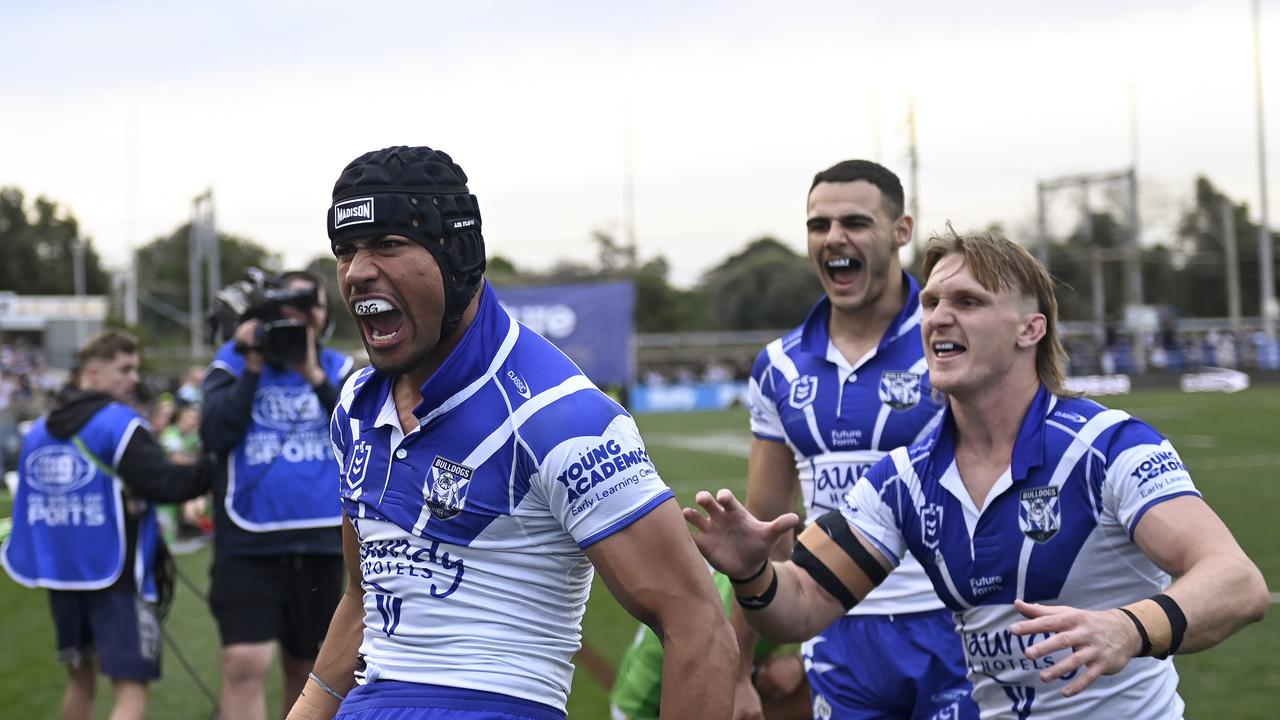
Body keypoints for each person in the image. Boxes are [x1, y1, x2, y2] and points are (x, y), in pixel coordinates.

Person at [685, 229, 1270, 718]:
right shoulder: (902, 481)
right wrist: (754, 574)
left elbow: (1236, 583)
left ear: (1030, 329)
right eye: (932, 303)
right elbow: (805, 602)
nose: (939, 317)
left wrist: (1127, 628)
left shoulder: (1107, 446)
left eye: (967, 302)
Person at [288, 146, 734, 720]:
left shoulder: (560, 417)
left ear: (458, 253)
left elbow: (697, 622)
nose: (357, 272)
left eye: (389, 245)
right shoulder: (355, 405)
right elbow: (363, 596)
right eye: (346, 251)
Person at [735, 160, 972, 720]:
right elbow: (765, 529)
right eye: (819, 225)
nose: (834, 237)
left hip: (956, 626)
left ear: (901, 231)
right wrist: (739, 666)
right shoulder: (779, 367)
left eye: (855, 222)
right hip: (836, 630)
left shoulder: (953, 340)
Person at [1, 329, 211, 720]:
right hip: (117, 577)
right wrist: (216, 465)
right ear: (92, 373)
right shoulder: (118, 424)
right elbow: (166, 484)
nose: (134, 378)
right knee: (130, 692)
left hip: (63, 576)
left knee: (80, 682)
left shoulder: (41, 429)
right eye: (124, 368)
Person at [201, 270, 356, 720]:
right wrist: (251, 365)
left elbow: (361, 436)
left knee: (311, 672)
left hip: (323, 541)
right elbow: (214, 435)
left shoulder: (339, 368)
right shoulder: (232, 362)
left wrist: (312, 373)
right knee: (243, 664)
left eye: (313, 306)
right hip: (249, 541)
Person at [610, 569, 810, 720]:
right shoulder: (724, 612)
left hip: (720, 674)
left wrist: (797, 662)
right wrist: (740, 683)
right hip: (645, 703)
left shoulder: (786, 584)